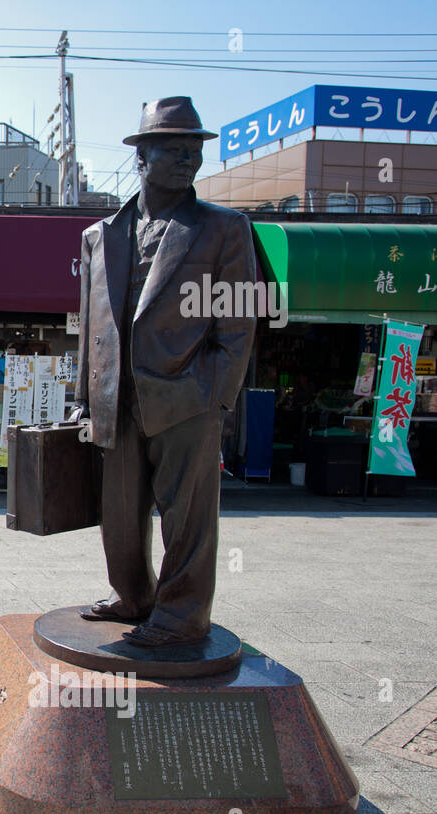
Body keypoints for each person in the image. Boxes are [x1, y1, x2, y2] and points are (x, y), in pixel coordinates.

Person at [69, 96, 259, 648]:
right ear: (141, 157)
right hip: (115, 399)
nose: (188, 160)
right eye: (174, 150)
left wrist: (215, 396)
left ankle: (182, 615)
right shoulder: (99, 234)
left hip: (187, 398)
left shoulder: (224, 228)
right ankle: (132, 595)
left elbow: (239, 322)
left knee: (188, 517)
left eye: (194, 151)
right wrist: (86, 395)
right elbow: (92, 322)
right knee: (120, 515)